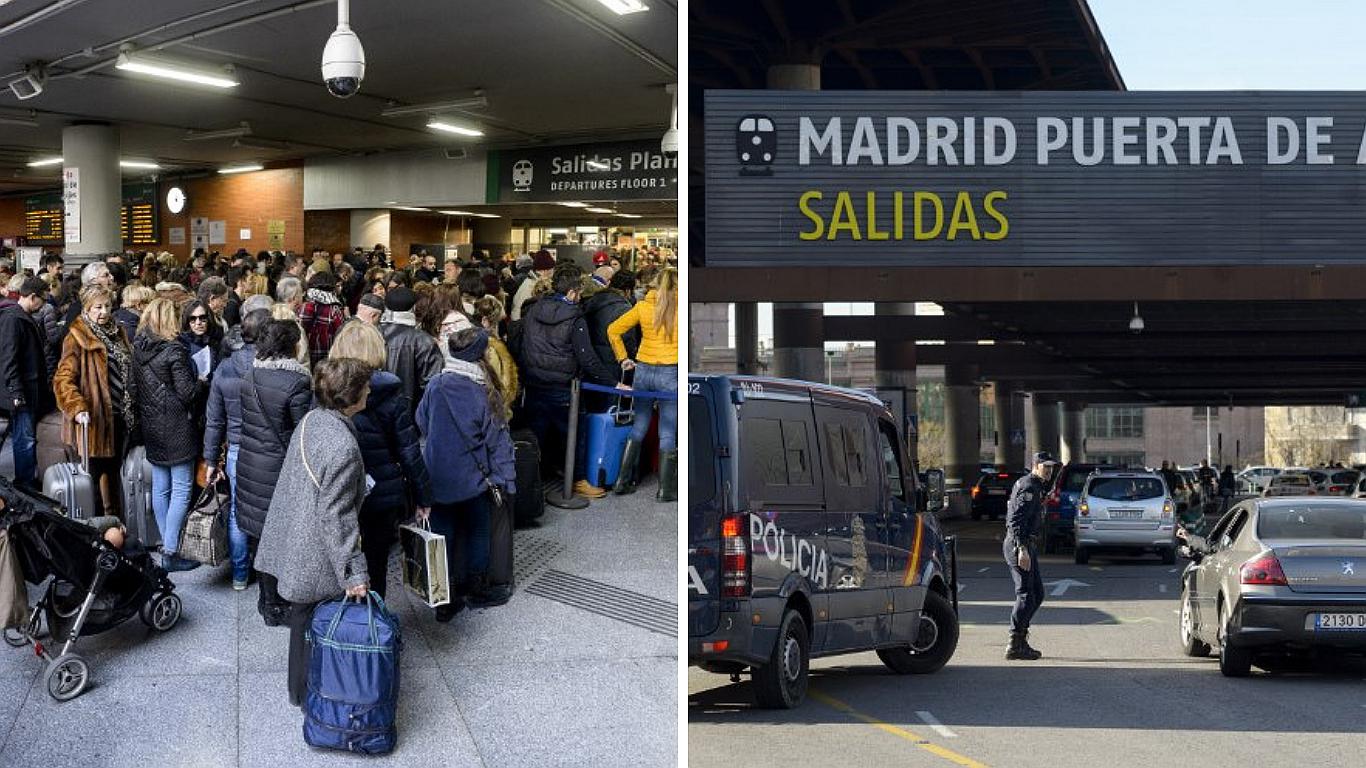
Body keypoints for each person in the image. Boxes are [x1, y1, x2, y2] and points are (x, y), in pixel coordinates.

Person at [254, 357, 372, 707]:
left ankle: (299, 691)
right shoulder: (343, 446)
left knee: (302, 622)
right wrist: (354, 573)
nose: (369, 389)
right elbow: (337, 516)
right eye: (365, 386)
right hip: (315, 551)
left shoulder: (312, 420)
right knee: (311, 624)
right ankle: (308, 693)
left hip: (296, 536)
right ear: (351, 396)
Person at [328, 323, 432, 599]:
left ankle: (340, 619)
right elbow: (409, 452)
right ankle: (372, 623)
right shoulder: (393, 396)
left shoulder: (328, 393)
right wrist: (423, 497)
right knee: (376, 562)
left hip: (340, 491)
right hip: (381, 495)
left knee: (340, 555)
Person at [417, 328, 515, 618]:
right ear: (481, 355)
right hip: (473, 478)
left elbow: (421, 420)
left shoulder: (436, 384)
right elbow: (497, 442)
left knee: (441, 537)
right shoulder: (484, 391)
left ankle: (443, 601)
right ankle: (477, 589)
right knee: (478, 532)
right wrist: (507, 480)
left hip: (437, 476)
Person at [237, 320, 314, 626]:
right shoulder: (296, 383)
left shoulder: (250, 375)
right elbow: (302, 432)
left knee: (259, 536)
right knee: (283, 537)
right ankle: (279, 602)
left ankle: (267, 601)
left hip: (250, 464)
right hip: (280, 469)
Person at [517, 263, 622, 477]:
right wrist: (614, 383)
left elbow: (522, 343)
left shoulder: (533, 309)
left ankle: (536, 480)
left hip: (534, 384)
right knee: (573, 437)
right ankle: (576, 479)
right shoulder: (575, 317)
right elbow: (587, 357)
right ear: (573, 291)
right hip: (565, 388)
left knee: (537, 435)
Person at [53, 285, 136, 519]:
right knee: (94, 479)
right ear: (87, 309)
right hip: (93, 422)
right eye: (97, 307)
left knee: (114, 474)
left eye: (107, 306)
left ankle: (114, 525)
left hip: (119, 416)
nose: (104, 312)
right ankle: (98, 528)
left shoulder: (118, 332)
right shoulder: (77, 337)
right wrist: (78, 408)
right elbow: (63, 379)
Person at [132, 298, 202, 572]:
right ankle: (172, 551)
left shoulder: (138, 348)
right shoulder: (175, 350)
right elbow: (187, 393)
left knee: (161, 488)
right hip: (177, 427)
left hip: (152, 426)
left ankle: (166, 543)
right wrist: (202, 382)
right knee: (182, 489)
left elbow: (132, 389)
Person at [204, 309, 271, 590]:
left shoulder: (224, 367)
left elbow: (214, 419)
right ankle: (270, 572)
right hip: (267, 448)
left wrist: (210, 459)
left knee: (237, 511)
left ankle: (240, 574)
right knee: (270, 509)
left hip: (236, 447)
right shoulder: (272, 366)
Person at [608, 266, 678, 501]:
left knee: (639, 425)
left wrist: (623, 358)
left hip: (643, 371)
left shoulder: (642, 306)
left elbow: (613, 330)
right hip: (670, 372)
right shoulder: (679, 307)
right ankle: (665, 490)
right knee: (667, 432)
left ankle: (621, 481)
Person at [0, 277, 56, 489]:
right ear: (33, 297)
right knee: (25, 440)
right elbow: (9, 359)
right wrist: (16, 393)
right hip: (22, 392)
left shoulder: (17, 316)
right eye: (43, 299)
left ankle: (26, 484)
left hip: (24, 390)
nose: (45, 304)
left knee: (24, 438)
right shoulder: (14, 319)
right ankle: (26, 485)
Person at [1004, 451, 1056, 661]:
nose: (1050, 471)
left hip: (1027, 544)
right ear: (1035, 466)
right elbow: (1015, 520)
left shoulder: (1035, 486)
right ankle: (1015, 643)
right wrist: (1021, 548)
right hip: (1019, 545)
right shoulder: (1028, 486)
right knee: (1026, 593)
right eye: (1046, 467)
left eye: (1052, 468)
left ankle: (1021, 637)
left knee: (1037, 593)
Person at [379, 287, 442, 418]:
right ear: (413, 308)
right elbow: (432, 384)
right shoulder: (423, 340)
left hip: (374, 413)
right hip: (411, 414)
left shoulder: (371, 333)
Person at [471, 296, 518, 420]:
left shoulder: (467, 338)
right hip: (491, 412)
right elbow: (497, 383)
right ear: (486, 321)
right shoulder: (490, 349)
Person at [298, 272, 347, 366]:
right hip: (326, 359)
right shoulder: (334, 309)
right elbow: (341, 336)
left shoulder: (303, 303)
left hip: (304, 356)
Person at [510, 250, 554, 321]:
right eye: (551, 270)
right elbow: (517, 314)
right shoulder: (531, 286)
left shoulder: (532, 281)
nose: (552, 273)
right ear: (544, 271)